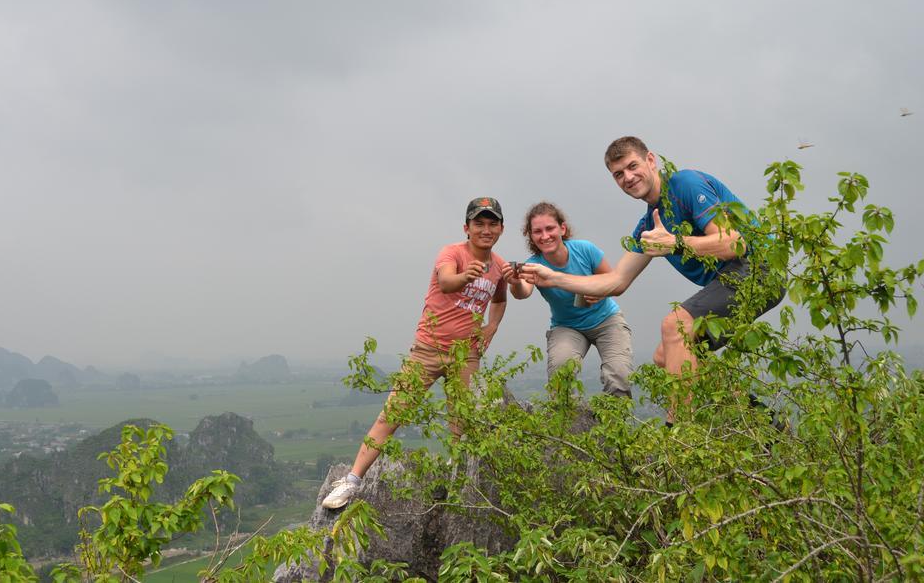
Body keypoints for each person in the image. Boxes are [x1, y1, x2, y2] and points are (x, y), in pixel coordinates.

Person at [519, 137, 783, 420]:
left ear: (651, 160)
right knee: (665, 357)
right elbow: (616, 282)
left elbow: (735, 244)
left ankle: (678, 431)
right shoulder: (648, 227)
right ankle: (763, 421)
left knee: (674, 325)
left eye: (632, 166)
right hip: (731, 280)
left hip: (759, 268)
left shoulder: (684, 184)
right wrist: (554, 278)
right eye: (618, 174)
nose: (628, 177)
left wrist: (674, 242)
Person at [322, 197, 509, 509]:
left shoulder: (499, 266)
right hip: (429, 349)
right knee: (393, 414)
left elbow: (501, 297)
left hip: (467, 355)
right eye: (479, 223)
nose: (486, 229)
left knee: (462, 423)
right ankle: (352, 481)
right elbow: (446, 280)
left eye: (492, 224)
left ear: (501, 228)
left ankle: (458, 482)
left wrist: (493, 326)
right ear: (467, 228)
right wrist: (466, 276)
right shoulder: (452, 253)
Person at [504, 202, 633, 397]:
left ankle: (616, 422)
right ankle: (569, 423)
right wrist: (514, 282)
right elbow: (523, 292)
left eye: (550, 228)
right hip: (567, 326)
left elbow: (612, 280)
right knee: (560, 374)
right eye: (537, 231)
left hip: (606, 319)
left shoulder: (585, 250)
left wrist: (600, 292)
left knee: (619, 375)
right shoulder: (533, 265)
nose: (545, 236)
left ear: (562, 228)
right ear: (530, 235)